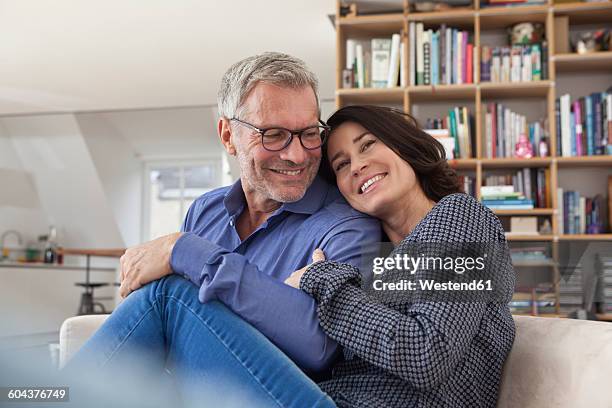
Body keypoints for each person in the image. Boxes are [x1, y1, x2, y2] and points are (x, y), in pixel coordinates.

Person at [65, 53, 380, 407]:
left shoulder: (348, 226)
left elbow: (319, 346)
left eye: (309, 134)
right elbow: (176, 332)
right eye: (273, 135)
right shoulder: (205, 210)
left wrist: (186, 252)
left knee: (168, 294)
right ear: (228, 136)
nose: (297, 155)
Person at [286, 105, 516, 408]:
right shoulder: (370, 262)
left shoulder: (461, 215)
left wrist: (322, 282)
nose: (356, 166)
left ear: (403, 144)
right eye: (341, 165)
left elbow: (427, 354)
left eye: (367, 145)